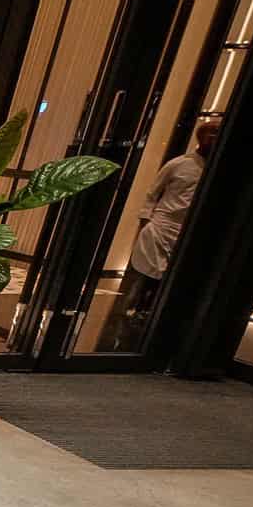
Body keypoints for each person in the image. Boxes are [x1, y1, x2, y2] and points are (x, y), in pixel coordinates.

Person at [104, 119, 220, 344]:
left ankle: (154, 314)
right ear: (201, 137)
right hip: (163, 223)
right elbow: (152, 193)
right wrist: (146, 221)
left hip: (188, 228)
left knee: (170, 274)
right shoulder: (178, 164)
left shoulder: (216, 168)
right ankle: (129, 312)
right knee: (146, 270)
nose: (214, 139)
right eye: (211, 134)